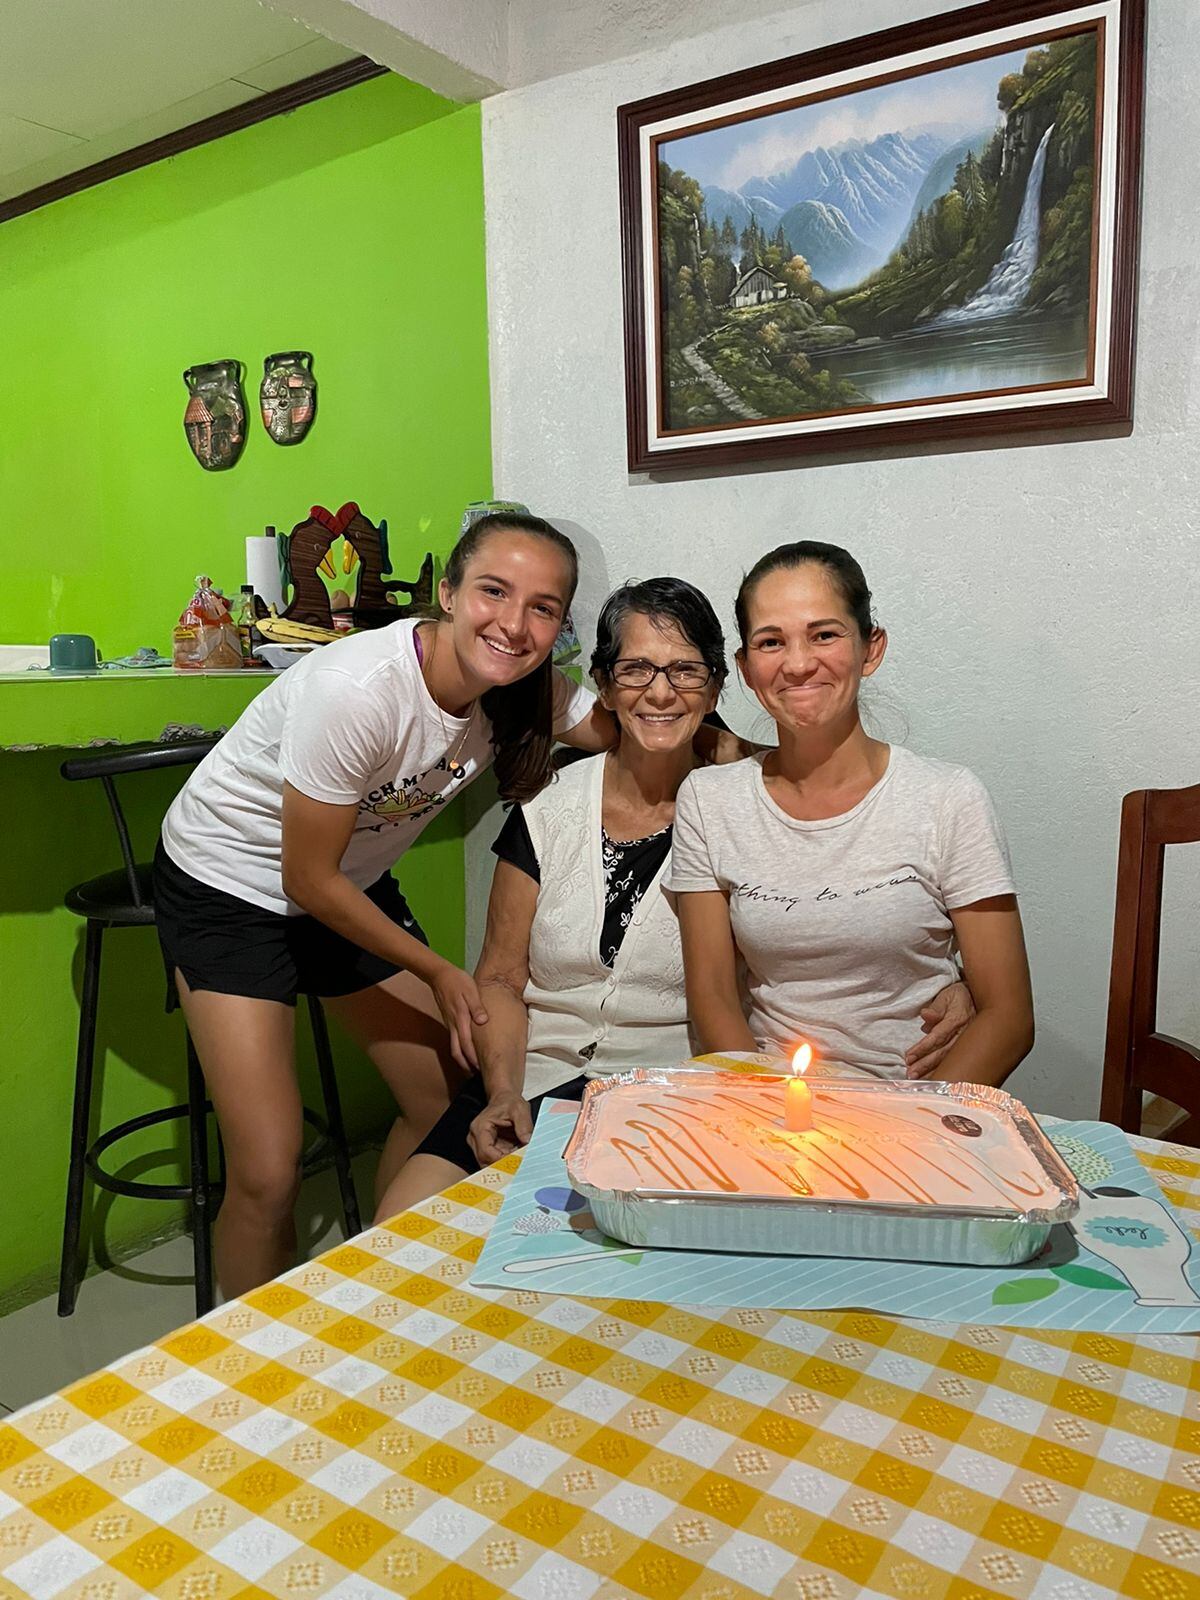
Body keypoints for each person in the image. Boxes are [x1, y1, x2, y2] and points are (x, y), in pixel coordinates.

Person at [379, 577, 974, 1216]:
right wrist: (500, 1092)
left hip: (662, 1097)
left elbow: (836, 917)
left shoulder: (747, 810)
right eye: (636, 669)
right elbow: (498, 978)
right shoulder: (546, 808)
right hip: (527, 1080)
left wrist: (948, 977)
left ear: (718, 687)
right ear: (604, 684)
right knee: (401, 1223)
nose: (660, 693)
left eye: (686, 672)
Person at [154, 513, 617, 1297]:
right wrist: (437, 970)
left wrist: (763, 761)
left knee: (441, 1096)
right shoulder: (360, 689)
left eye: (543, 607)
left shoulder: (523, 687)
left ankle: (377, 1294)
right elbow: (306, 879)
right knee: (268, 1168)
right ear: (446, 592)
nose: (514, 623)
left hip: (347, 887)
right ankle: (245, 1366)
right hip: (231, 885)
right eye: (493, 592)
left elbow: (633, 729)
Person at [670, 540, 1034, 1086]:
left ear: (871, 647)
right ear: (745, 668)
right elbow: (714, 999)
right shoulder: (709, 800)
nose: (797, 664)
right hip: (768, 1104)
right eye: (771, 642)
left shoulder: (948, 797)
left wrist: (915, 1126)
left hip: (915, 1104)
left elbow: (1008, 1018)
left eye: (824, 634)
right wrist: (771, 1114)